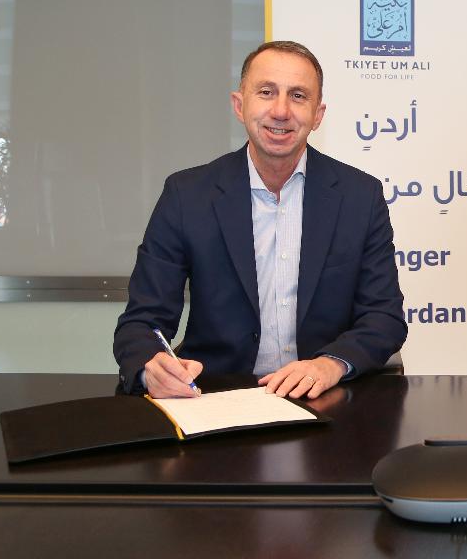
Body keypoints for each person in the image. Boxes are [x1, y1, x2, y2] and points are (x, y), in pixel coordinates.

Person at [114, 40, 406, 399]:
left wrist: (330, 364)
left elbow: (384, 318)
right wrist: (152, 366)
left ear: (318, 115)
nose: (281, 111)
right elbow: (142, 322)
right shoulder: (186, 195)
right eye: (266, 92)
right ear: (240, 105)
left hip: (323, 398)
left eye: (298, 96)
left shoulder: (360, 196)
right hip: (217, 395)